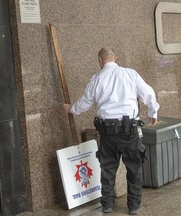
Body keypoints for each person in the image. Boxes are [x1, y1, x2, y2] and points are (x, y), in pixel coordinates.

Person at [64, 47, 159, 215]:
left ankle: (107, 204)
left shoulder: (97, 78)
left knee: (107, 168)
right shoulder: (130, 74)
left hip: (108, 132)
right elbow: (148, 93)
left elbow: (84, 102)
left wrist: (71, 109)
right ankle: (134, 206)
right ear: (116, 58)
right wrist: (153, 113)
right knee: (134, 168)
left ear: (100, 60)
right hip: (130, 130)